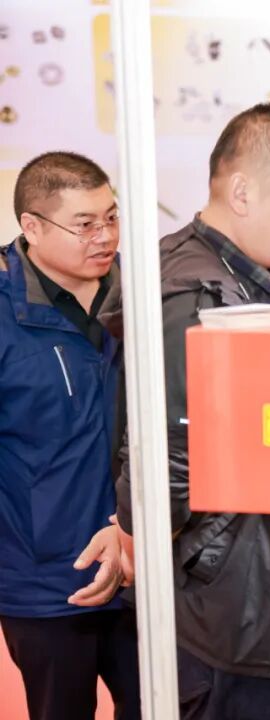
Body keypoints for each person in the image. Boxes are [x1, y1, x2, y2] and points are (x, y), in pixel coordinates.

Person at [113, 103, 270, 719]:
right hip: (228, 600)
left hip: (241, 584)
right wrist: (176, 547)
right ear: (242, 192)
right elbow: (166, 459)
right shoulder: (199, 295)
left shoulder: (229, 275)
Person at [0, 152, 140, 719]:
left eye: (111, 218)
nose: (104, 236)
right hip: (45, 583)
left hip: (142, 563)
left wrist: (136, 531)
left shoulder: (146, 293)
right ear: (31, 227)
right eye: (84, 224)